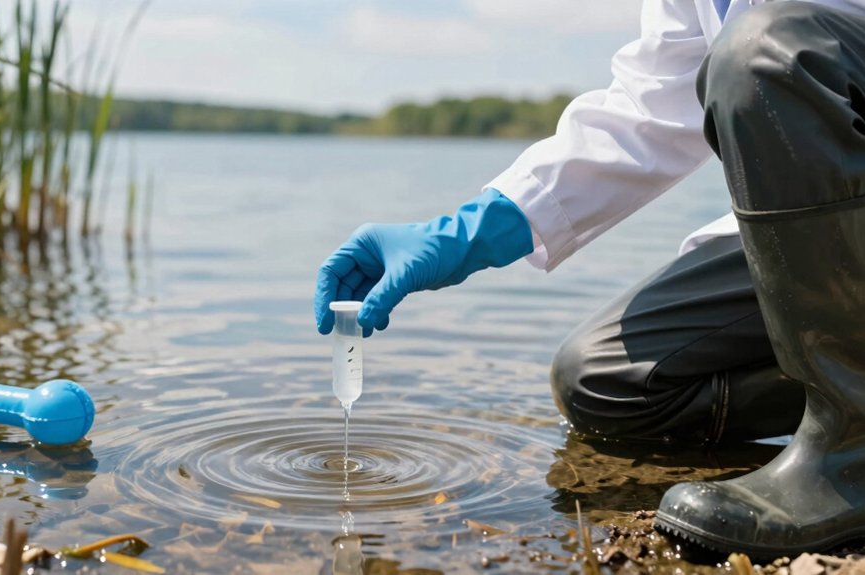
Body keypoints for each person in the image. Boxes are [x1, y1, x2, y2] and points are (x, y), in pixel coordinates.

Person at [314, 0, 865, 557]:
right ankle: (830, 408)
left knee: (766, 45)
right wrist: (464, 233)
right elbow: (649, 111)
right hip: (837, 222)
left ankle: (851, 458)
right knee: (606, 381)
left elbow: (772, 59)